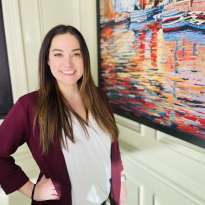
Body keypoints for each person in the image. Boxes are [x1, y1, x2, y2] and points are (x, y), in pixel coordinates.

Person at [0, 24, 126, 205]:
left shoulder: (99, 98)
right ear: (47, 60)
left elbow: (113, 155)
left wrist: (119, 195)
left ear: (84, 59)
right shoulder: (30, 106)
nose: (68, 63)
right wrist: (32, 190)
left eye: (76, 54)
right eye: (58, 54)